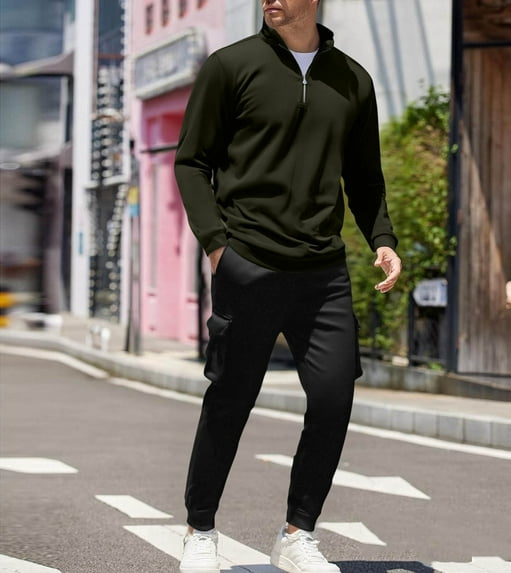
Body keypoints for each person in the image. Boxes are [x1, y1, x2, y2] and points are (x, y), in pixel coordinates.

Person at [174, 1, 401, 571]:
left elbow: (364, 174)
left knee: (333, 398)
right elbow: (192, 161)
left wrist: (382, 237)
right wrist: (217, 246)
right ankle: (200, 530)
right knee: (231, 399)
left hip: (322, 272)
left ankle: (297, 535)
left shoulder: (352, 79)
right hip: (248, 262)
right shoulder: (231, 66)